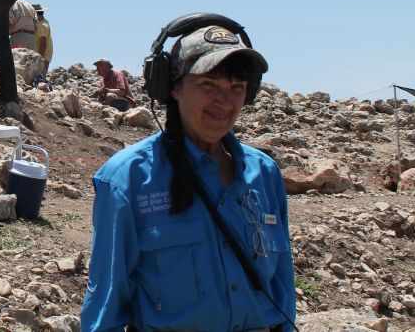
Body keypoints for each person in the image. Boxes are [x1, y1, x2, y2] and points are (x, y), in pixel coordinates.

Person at [80, 22, 295, 332]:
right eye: (209, 84)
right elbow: (105, 308)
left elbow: (282, 288)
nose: (224, 101)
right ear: (173, 87)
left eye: (237, 88)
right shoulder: (127, 180)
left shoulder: (264, 174)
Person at [33, 4, 53, 71]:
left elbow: (43, 43)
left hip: (42, 56)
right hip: (45, 55)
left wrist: (39, 58)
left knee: (40, 76)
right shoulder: (44, 22)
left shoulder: (41, 25)